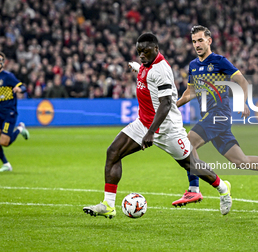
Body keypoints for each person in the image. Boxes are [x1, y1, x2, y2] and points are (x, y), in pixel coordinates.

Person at [83, 32, 233, 218]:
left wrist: (151, 133)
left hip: (167, 128)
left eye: (145, 52)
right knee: (113, 152)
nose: (141, 55)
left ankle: (222, 188)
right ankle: (108, 204)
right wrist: (137, 67)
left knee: (190, 165)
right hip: (143, 123)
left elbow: (166, 104)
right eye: (139, 52)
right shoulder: (146, 64)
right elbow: (147, 76)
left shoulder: (161, 69)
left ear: (156, 49)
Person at [172, 25, 258, 207]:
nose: (197, 44)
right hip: (211, 118)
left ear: (209, 40)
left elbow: (242, 81)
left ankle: (194, 190)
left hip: (219, 114)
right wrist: (172, 106)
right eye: (194, 41)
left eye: (200, 40)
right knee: (241, 161)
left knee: (188, 142)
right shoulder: (193, 65)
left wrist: (244, 102)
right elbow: (190, 93)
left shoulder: (219, 61)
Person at [0, 52, 30, 172]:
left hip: (8, 112)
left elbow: (23, 87)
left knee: (4, 142)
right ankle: (6, 164)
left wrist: (19, 89)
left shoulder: (7, 76)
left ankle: (20, 129)